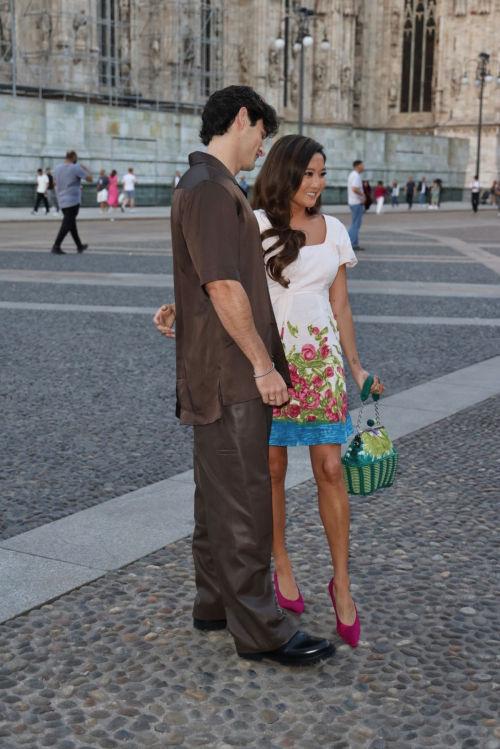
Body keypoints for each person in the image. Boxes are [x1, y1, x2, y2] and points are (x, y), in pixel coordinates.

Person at [152, 85, 335, 667]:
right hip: (232, 374)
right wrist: (263, 364)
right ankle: (262, 631)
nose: (262, 146)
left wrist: (182, 306)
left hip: (212, 367)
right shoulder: (210, 188)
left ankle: (213, 602)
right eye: (261, 131)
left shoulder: (202, 185)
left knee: (216, 494)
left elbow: (212, 272)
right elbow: (224, 285)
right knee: (246, 499)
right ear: (240, 119)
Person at [251, 134, 385, 649]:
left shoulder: (332, 231)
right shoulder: (258, 225)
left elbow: (342, 306)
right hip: (273, 365)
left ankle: (341, 583)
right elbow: (228, 286)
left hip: (323, 365)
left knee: (331, 468)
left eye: (323, 174)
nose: (317, 183)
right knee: (273, 468)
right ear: (286, 173)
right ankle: (280, 562)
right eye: (308, 173)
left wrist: (357, 369)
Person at [52, 150, 91, 254]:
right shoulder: (75, 168)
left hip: (61, 199)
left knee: (71, 224)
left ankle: (79, 246)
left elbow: (54, 181)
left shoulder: (58, 168)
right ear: (74, 158)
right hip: (72, 200)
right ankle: (56, 246)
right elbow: (90, 178)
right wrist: (86, 169)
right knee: (67, 223)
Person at [347, 160, 365, 251]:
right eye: (362, 165)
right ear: (358, 166)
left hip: (353, 202)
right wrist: (363, 195)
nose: (364, 166)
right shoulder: (356, 175)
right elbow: (354, 188)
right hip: (356, 202)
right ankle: (353, 243)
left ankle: (348, 242)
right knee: (356, 224)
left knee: (354, 224)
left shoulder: (352, 175)